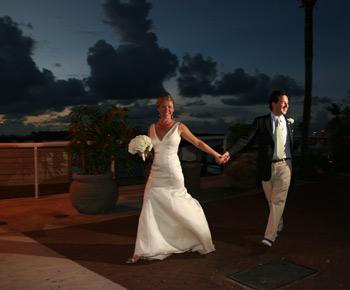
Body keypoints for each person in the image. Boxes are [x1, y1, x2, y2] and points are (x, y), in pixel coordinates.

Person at [126, 94, 222, 263]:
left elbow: (198, 143)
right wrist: (142, 152)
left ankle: (195, 235)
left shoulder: (179, 127)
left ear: (173, 109)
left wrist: (215, 154)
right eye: (163, 106)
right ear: (158, 108)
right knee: (149, 206)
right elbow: (150, 151)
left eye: (170, 107)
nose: (167, 110)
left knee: (178, 205)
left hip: (173, 173)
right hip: (155, 173)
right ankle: (143, 250)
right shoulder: (151, 128)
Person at [221, 90, 294, 247]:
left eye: (288, 102)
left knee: (277, 201)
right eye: (283, 102)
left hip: (285, 166)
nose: (287, 105)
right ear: (274, 104)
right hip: (266, 167)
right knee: (271, 201)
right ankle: (278, 225)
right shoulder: (261, 121)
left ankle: (270, 235)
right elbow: (245, 139)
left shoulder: (288, 122)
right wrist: (228, 152)